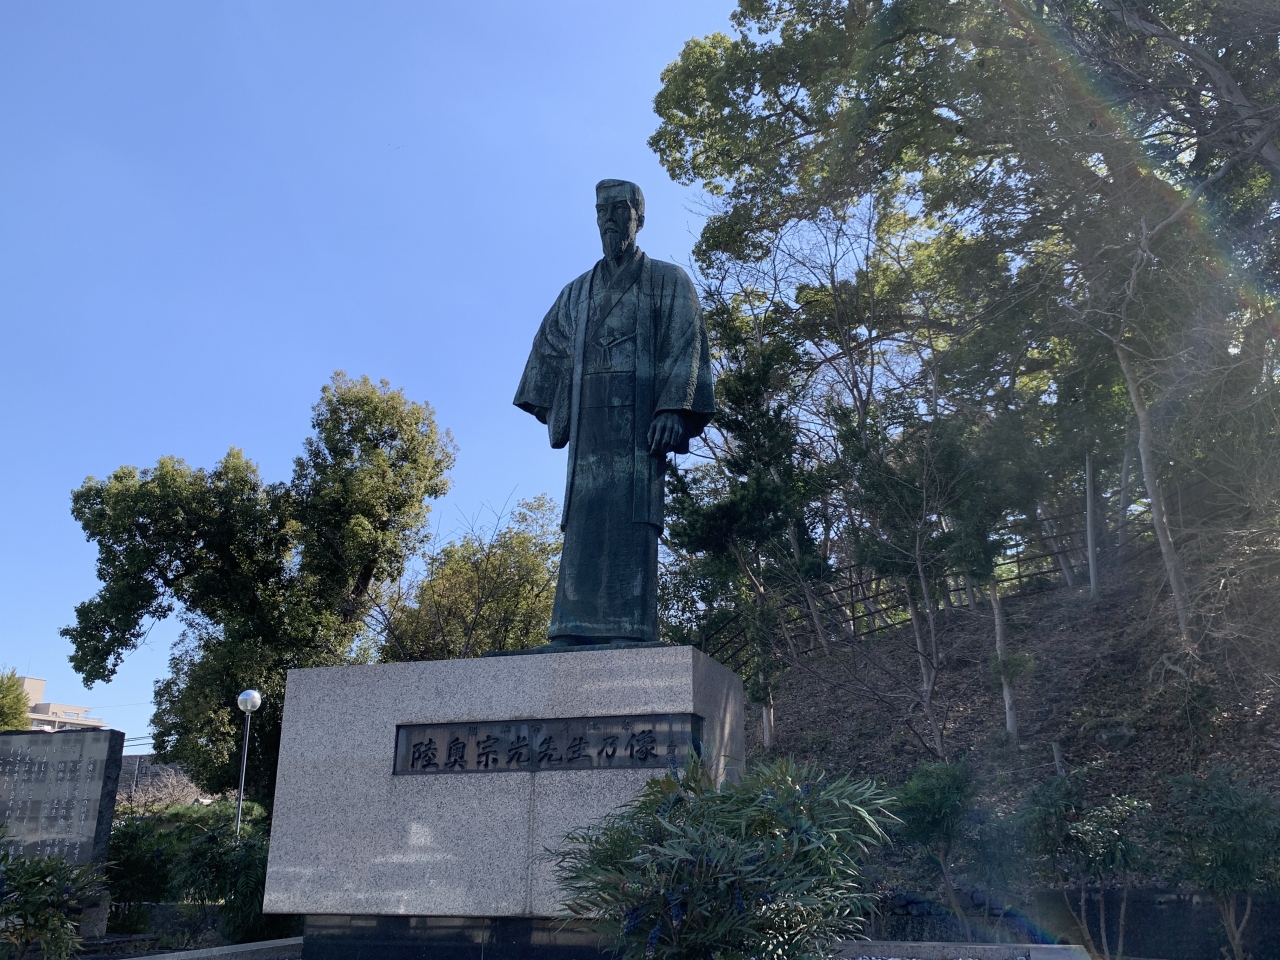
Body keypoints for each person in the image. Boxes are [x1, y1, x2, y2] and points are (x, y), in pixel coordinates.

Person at [514, 179, 714, 648]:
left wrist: (673, 409)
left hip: (640, 426)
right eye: (601, 209)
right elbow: (548, 350)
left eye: (620, 208)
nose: (609, 218)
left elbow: (686, 344)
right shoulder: (576, 293)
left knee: (630, 518)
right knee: (583, 520)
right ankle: (571, 629)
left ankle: (630, 628)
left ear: (639, 217)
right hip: (590, 427)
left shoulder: (668, 280)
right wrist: (561, 401)